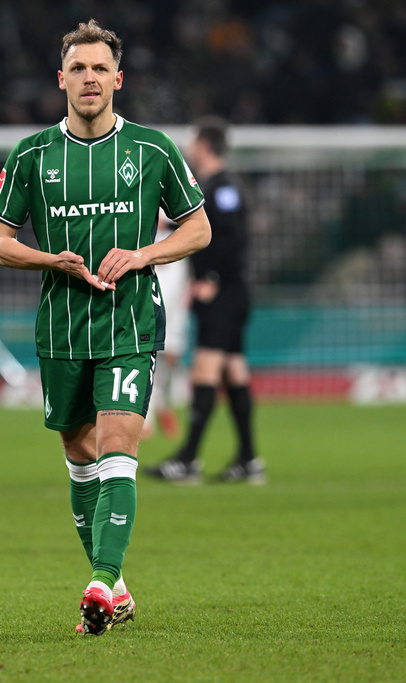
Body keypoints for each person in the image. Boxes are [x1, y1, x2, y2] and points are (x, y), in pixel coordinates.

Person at [0, 20, 210, 636]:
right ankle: (116, 583)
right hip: (60, 330)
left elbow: (198, 229)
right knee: (80, 458)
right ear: (61, 80)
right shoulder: (31, 156)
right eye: (78, 69)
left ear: (119, 78)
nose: (90, 79)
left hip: (131, 322)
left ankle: (98, 584)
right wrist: (49, 259)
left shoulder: (153, 149)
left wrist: (143, 255)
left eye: (99, 68)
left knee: (119, 448)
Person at [147, 116, 264, 485]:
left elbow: (234, 238)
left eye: (193, 141)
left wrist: (211, 278)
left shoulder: (224, 187)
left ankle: (188, 459)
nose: (189, 148)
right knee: (234, 374)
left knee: (205, 373)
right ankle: (248, 459)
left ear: (206, 145)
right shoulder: (210, 186)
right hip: (228, 293)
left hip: (225, 293)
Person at [141, 213, 191, 440]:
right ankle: (147, 417)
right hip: (149, 312)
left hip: (176, 313)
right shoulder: (141, 239)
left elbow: (186, 277)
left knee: (171, 360)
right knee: (148, 359)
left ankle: (164, 404)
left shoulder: (177, 240)